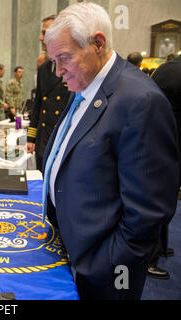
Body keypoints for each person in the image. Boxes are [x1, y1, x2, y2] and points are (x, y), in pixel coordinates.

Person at [42, 2, 178, 299]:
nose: (58, 71)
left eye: (63, 58)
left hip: (105, 272)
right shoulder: (85, 83)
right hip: (72, 247)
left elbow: (147, 214)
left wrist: (104, 266)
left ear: (98, 43)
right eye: (54, 60)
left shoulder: (140, 101)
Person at [148, 53, 181, 279]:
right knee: (161, 202)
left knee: (161, 198)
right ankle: (151, 257)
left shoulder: (164, 69)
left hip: (159, 143)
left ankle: (160, 248)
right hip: (172, 145)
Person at [27, 15, 70, 171]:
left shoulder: (72, 65)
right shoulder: (44, 68)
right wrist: (31, 137)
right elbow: (38, 104)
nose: (40, 38)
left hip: (62, 137)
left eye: (44, 33)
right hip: (43, 138)